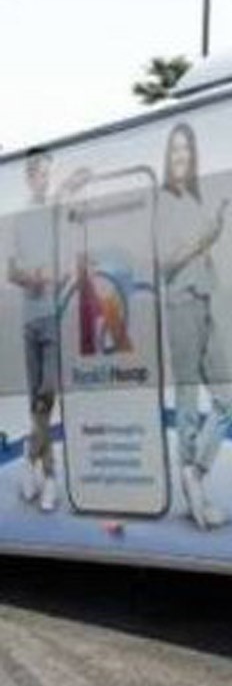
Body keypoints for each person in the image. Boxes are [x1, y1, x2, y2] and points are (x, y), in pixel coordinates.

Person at [158, 124, 232, 530]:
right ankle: (193, 486)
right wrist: (205, 236)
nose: (182, 158)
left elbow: (198, 247)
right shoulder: (163, 202)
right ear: (167, 159)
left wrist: (215, 229)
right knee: (188, 399)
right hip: (181, 303)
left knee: (227, 402)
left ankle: (194, 474)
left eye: (187, 151)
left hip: (204, 299)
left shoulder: (193, 197)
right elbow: (165, 261)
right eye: (175, 152)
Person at [7, 154, 88, 512]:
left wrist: (65, 275)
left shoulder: (53, 214)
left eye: (48, 175)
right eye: (40, 175)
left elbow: (68, 262)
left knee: (47, 392)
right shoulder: (21, 219)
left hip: (52, 317)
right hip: (30, 318)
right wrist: (35, 278)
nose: (45, 181)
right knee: (37, 404)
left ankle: (28, 458)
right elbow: (11, 272)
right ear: (29, 178)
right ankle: (51, 478)